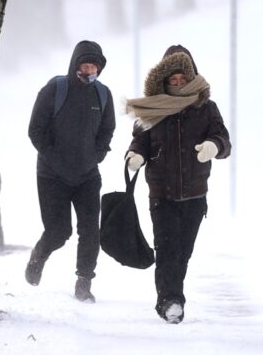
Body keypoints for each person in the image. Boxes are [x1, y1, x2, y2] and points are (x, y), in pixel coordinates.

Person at [125, 45, 231, 323]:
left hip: (196, 195)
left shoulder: (206, 108)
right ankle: (170, 301)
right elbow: (140, 140)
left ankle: (171, 295)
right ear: (163, 79)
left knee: (182, 252)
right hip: (161, 193)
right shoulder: (152, 108)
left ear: (191, 76)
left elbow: (224, 139)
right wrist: (135, 155)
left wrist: (213, 146)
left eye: (183, 78)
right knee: (167, 249)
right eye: (173, 79)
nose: (178, 83)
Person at [27, 40, 115, 303]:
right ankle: (39, 254)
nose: (89, 71)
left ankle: (84, 282)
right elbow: (35, 130)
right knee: (59, 231)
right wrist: (54, 158)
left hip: (87, 175)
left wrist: (96, 155)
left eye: (94, 66)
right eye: (85, 65)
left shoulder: (102, 94)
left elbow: (107, 130)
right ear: (75, 64)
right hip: (52, 175)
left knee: (90, 230)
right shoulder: (55, 89)